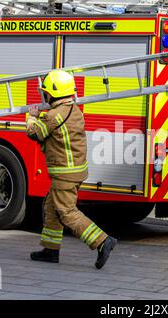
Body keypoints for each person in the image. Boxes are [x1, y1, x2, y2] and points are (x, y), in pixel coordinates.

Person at [26, 70, 117, 269]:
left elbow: (35, 134)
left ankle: (102, 241)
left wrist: (31, 118)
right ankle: (50, 250)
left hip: (64, 173)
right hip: (75, 171)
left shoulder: (52, 115)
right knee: (51, 206)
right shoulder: (73, 110)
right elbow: (56, 125)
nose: (45, 96)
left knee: (66, 211)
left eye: (46, 93)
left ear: (53, 94)